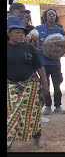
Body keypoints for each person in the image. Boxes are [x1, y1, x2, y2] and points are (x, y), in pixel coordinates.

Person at [7, 16, 49, 150]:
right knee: (10, 114)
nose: (21, 35)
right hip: (10, 86)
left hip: (30, 85)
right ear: (9, 32)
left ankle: (38, 136)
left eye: (22, 32)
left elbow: (39, 67)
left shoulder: (29, 48)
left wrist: (45, 85)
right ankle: (9, 141)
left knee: (33, 113)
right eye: (17, 32)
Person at [35, 9, 65, 115]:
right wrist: (38, 48)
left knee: (57, 85)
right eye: (50, 14)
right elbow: (33, 43)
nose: (52, 16)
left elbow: (63, 45)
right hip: (43, 63)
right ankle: (48, 106)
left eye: (54, 14)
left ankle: (58, 106)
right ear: (45, 16)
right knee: (46, 85)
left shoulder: (59, 30)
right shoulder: (38, 29)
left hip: (55, 63)